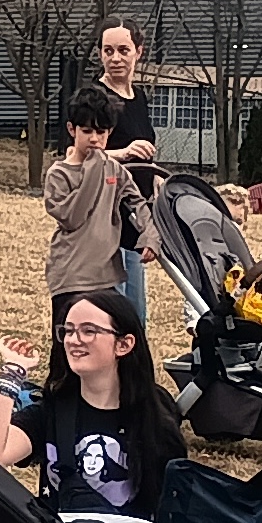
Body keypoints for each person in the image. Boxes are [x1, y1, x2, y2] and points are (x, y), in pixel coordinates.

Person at [0, 288, 186, 520]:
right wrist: (11, 375)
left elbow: (175, 501)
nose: (74, 340)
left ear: (124, 344)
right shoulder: (53, 410)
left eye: (89, 331)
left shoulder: (154, 411)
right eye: (68, 331)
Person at [45, 87, 159, 338]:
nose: (95, 139)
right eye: (87, 131)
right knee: (69, 345)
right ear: (72, 130)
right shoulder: (59, 174)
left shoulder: (115, 171)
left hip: (107, 278)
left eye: (101, 132)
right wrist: (94, 168)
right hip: (71, 278)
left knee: (106, 343)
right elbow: (72, 217)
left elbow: (138, 203)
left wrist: (150, 235)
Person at [96, 17, 161, 321]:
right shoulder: (96, 98)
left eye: (123, 50)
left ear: (139, 52)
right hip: (105, 221)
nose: (115, 58)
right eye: (108, 50)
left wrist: (155, 176)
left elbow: (145, 152)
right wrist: (123, 153)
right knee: (114, 315)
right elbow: (74, 156)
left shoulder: (139, 98)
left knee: (135, 317)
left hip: (135, 221)